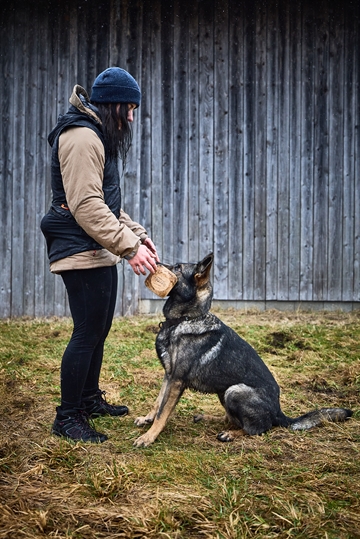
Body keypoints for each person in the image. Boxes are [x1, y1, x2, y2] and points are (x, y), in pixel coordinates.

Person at [41, 67, 159, 443]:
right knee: (87, 332)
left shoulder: (96, 135)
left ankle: (89, 400)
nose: (132, 117)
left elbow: (107, 205)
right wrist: (128, 248)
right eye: (130, 108)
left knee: (99, 330)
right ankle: (68, 417)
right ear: (115, 105)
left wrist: (138, 236)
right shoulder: (80, 137)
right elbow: (86, 205)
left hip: (95, 247)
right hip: (80, 248)